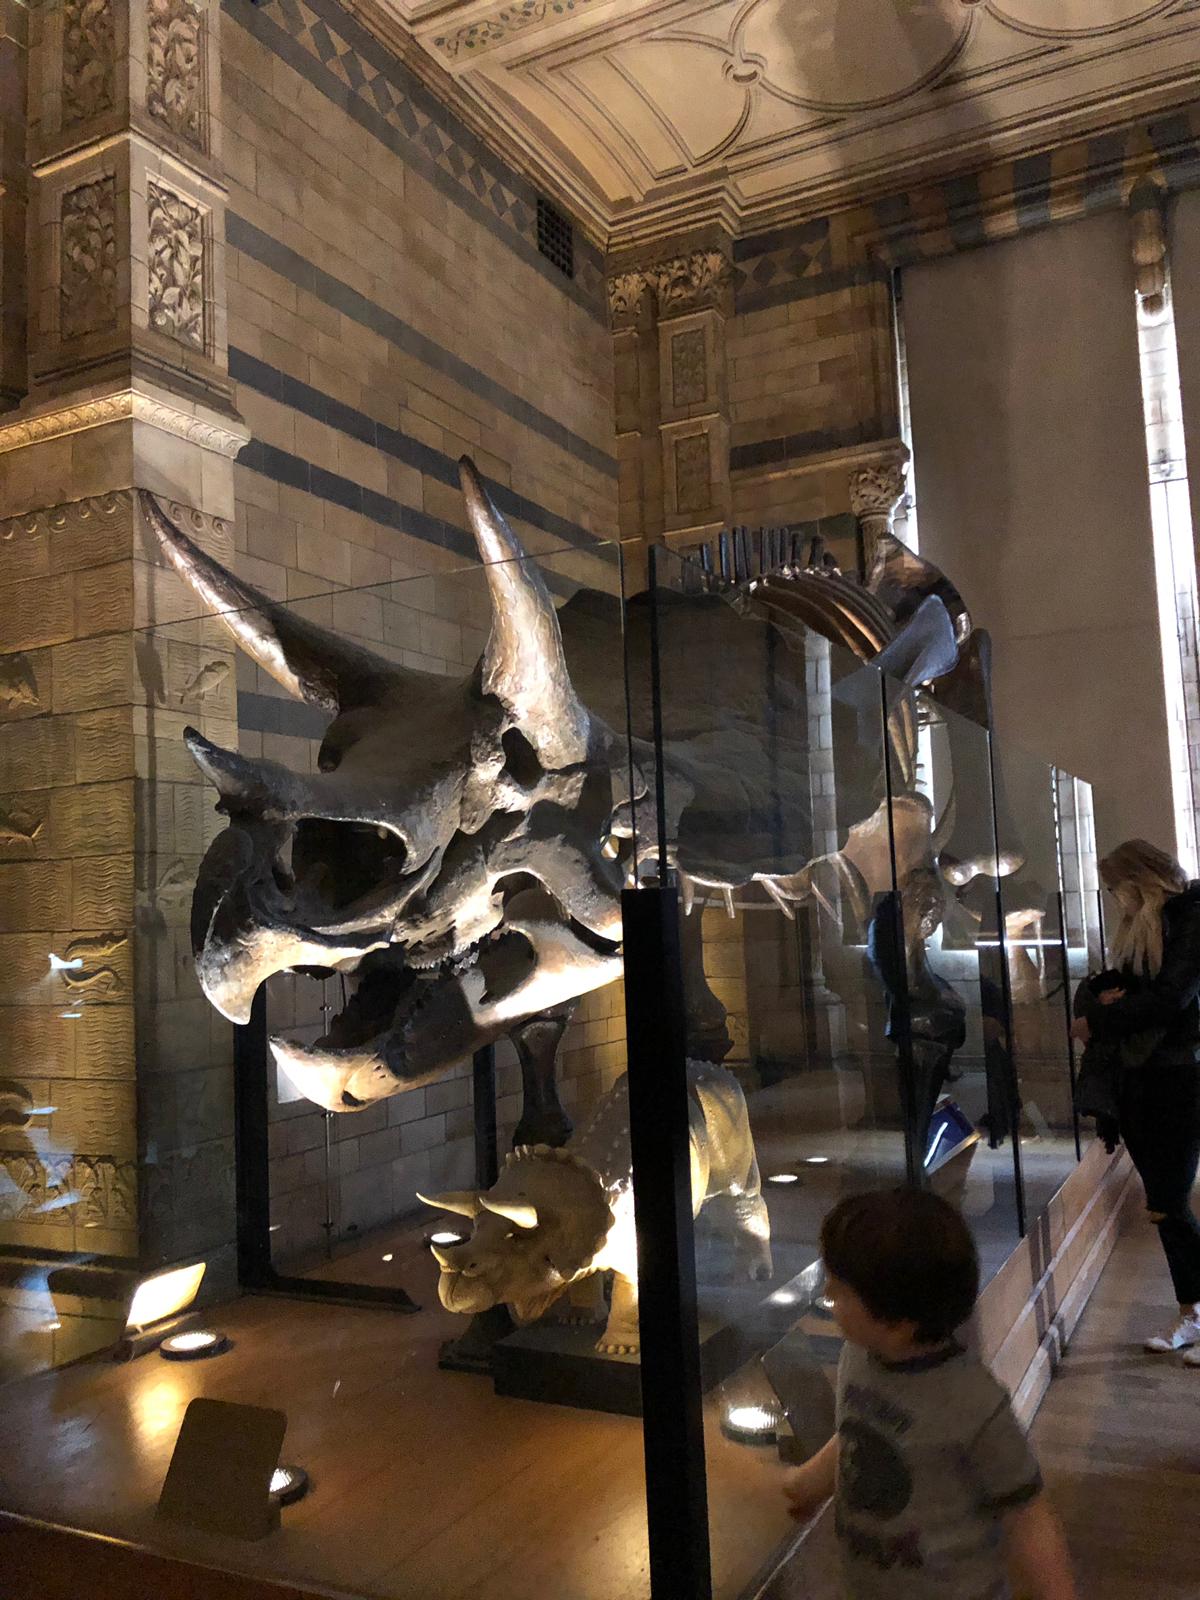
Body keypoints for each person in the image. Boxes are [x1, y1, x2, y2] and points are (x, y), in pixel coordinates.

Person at [782, 1188, 1076, 1600]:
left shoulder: (973, 1403)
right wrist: (808, 1484)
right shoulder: (859, 1356)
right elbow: (861, 1432)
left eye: (840, 1289)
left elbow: (1027, 1515)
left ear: (899, 1322)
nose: (827, 1294)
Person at [1070, 838, 1200, 1360]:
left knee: (1171, 1200)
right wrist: (1099, 997)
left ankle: (1195, 1311)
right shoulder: (1146, 925)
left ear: (1139, 881)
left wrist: (1099, 1019)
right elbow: (1134, 984)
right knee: (1164, 1204)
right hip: (1144, 1078)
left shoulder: (1190, 918)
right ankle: (1192, 1311)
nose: (1114, 899)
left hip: (1180, 1076)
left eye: (1115, 888)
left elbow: (1171, 999)